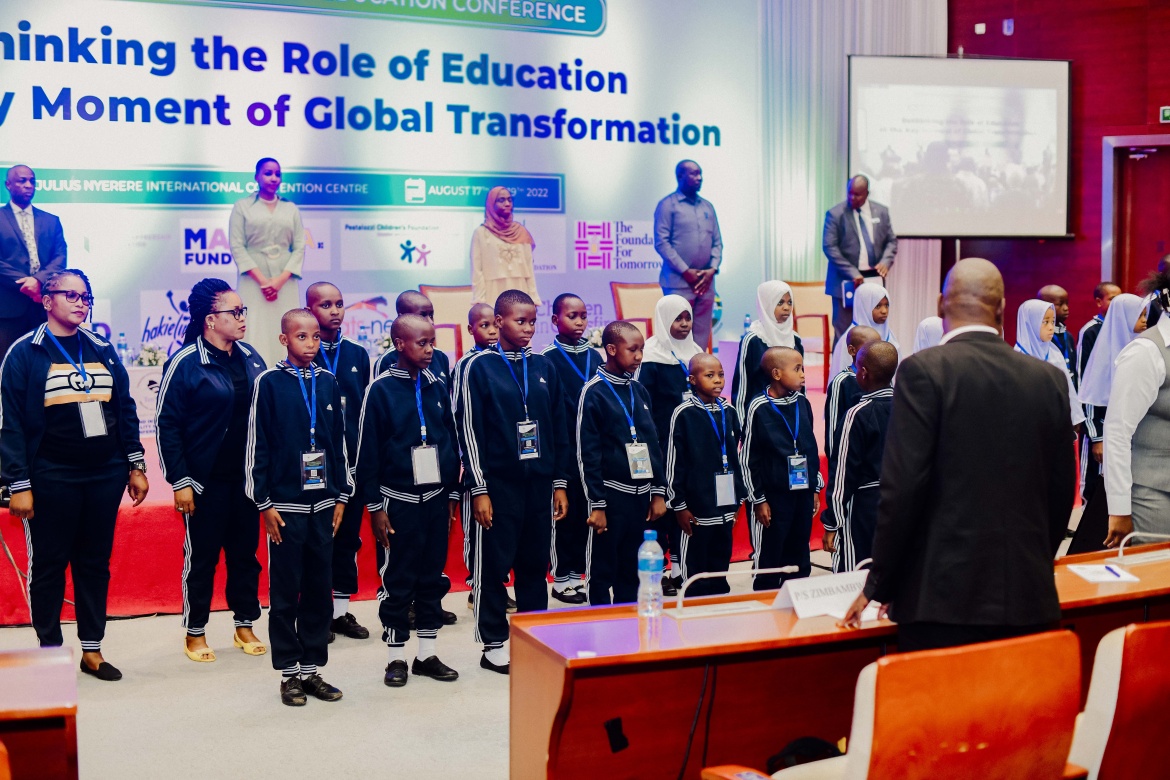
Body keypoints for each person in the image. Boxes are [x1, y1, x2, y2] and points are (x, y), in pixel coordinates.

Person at [840, 258, 1076, 651]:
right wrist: (1033, 564)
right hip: (1028, 594)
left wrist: (880, 583)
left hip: (940, 600)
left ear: (939, 305)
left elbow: (902, 489)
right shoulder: (1047, 378)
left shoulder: (921, 372)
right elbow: (1060, 491)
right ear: (1001, 310)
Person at [1, 269, 148, 681]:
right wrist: (19, 484)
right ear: (47, 300)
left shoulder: (101, 347)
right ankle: (49, 650)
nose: (82, 302)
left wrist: (134, 464)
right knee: (49, 565)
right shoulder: (25, 353)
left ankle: (92, 650)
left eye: (87, 296)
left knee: (94, 563)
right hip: (51, 475)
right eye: (71, 295)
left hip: (104, 474)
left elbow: (125, 409)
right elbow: (9, 423)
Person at [458, 290, 570, 674]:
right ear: (499, 321)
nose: (527, 329)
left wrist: (559, 482)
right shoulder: (478, 366)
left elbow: (557, 427)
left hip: (538, 484)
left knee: (534, 564)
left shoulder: (543, 366)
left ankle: (534, 635)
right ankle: (493, 644)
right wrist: (479, 488)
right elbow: (468, 430)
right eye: (519, 321)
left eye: (532, 322)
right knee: (493, 567)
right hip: (498, 485)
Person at [156, 278, 267, 663]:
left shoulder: (251, 356)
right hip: (204, 483)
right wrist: (180, 481)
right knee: (202, 558)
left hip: (246, 481)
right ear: (209, 320)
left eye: (242, 311)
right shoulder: (186, 362)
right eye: (234, 313)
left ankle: (244, 624)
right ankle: (195, 631)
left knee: (245, 556)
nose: (242, 319)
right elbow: (166, 425)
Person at [246, 309, 350, 706]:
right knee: (286, 591)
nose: (311, 344)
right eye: (301, 337)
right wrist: (264, 502)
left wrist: (341, 494)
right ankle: (289, 672)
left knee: (319, 590)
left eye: (315, 337)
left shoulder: (327, 382)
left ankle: (312, 670)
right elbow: (258, 445)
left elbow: (338, 443)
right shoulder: (269, 384)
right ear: (284, 340)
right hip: (285, 507)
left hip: (323, 505)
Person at [355, 314, 461, 689]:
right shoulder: (380, 390)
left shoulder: (437, 384)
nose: (430, 349)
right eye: (422, 343)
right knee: (398, 579)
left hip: (435, 498)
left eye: (433, 341)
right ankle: (396, 656)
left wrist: (451, 492)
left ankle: (426, 654)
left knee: (432, 576)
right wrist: (375, 508)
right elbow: (366, 453)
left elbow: (450, 440)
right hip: (397, 501)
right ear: (399, 344)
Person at [577, 321, 667, 605]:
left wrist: (658, 491)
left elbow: (652, 444)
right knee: (603, 569)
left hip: (641, 499)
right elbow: (587, 453)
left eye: (641, 349)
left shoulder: (639, 390)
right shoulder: (594, 392)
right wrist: (597, 504)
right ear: (612, 349)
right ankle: (602, 628)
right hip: (611, 497)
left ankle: (628, 626)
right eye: (633, 349)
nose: (639, 356)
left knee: (632, 568)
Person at [306, 282, 372, 642]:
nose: (334, 310)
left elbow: (365, 410)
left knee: (348, 540)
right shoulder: (304, 351)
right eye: (325, 304)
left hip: (352, 464)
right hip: (314, 465)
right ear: (309, 310)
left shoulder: (358, 355)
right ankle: (315, 611)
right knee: (317, 540)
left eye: (340, 303)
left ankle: (341, 613)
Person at [1069, 293, 1148, 553]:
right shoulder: (1101, 342)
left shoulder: (1143, 347)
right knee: (1099, 490)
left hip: (1136, 440)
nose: (1145, 321)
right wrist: (1098, 437)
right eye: (1140, 315)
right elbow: (1091, 395)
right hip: (1106, 434)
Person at [635, 294, 704, 593]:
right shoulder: (650, 356)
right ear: (664, 320)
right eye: (678, 319)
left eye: (687, 317)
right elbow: (640, 403)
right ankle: (657, 569)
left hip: (687, 442)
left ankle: (679, 569)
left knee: (682, 503)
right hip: (660, 444)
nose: (685, 324)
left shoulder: (696, 352)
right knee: (659, 507)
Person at [741, 347, 822, 590]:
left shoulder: (802, 402)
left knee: (799, 549)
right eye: (797, 369)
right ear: (776, 373)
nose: (803, 374)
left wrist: (815, 486)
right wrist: (758, 499)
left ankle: (796, 595)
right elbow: (748, 458)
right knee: (772, 551)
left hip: (803, 491)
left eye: (803, 368)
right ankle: (765, 597)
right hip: (775, 496)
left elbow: (809, 447)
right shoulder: (759, 407)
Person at [665, 353, 746, 596]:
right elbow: (673, 461)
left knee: (720, 566)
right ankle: (694, 618)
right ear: (692, 380)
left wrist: (739, 496)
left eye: (720, 374)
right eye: (709, 375)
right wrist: (678, 504)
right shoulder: (684, 413)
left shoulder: (729, 410)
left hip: (725, 507)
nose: (718, 380)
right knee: (696, 573)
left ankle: (717, 609)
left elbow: (735, 455)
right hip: (696, 509)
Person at [540, 293, 602, 605]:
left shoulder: (597, 357)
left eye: (583, 316)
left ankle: (582, 575)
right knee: (565, 513)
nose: (579, 322)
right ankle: (562, 578)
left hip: (592, 448)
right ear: (555, 321)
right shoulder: (546, 358)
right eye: (571, 316)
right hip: (563, 446)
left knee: (589, 512)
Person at [1104, 268, 1170, 546]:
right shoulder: (1146, 351)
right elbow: (1118, 432)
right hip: (1152, 492)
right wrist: (1119, 509)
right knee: (1157, 578)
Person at [823, 342, 898, 573]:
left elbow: (843, 473)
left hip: (864, 507)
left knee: (856, 575)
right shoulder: (911, 407)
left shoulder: (856, 414)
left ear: (863, 373)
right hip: (902, 501)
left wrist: (832, 521)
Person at [450, 303, 506, 611]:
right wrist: (465, 461)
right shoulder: (466, 365)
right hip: (476, 464)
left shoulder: (506, 362)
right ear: (471, 329)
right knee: (478, 527)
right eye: (483, 325)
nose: (492, 330)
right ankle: (477, 585)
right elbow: (460, 416)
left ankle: (497, 583)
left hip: (504, 464)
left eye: (493, 324)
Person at [229, 157, 305, 366]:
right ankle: (254, 374)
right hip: (253, 280)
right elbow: (237, 245)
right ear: (257, 177)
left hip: (285, 280)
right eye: (268, 173)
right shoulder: (242, 206)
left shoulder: (291, 208)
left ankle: (288, 373)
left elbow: (299, 246)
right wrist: (263, 281)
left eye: (277, 174)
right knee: (254, 326)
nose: (273, 178)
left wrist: (279, 281)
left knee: (287, 325)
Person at [654, 160, 723, 350]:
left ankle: (697, 372)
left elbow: (717, 243)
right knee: (676, 333)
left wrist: (712, 269)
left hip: (705, 283)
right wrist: (686, 271)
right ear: (680, 176)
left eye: (700, 173)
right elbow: (661, 242)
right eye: (693, 174)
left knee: (700, 334)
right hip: (678, 282)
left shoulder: (708, 207)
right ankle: (675, 374)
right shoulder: (668, 205)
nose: (699, 178)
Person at [0, 165, 67, 361]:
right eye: (22, 180)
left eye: (32, 181)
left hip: (44, 308)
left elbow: (60, 258)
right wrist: (25, 282)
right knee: (7, 369)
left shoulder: (51, 221)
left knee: (45, 366)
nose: (28, 185)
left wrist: (38, 280)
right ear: (8, 185)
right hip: (8, 310)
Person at [820, 325, 880, 539]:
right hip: (849, 466)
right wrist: (838, 464)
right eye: (870, 347)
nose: (876, 352)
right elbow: (833, 429)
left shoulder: (881, 379)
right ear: (853, 351)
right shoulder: (842, 382)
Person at [823, 175, 898, 345]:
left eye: (857, 194)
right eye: (849, 193)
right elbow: (829, 247)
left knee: (874, 329)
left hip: (873, 280)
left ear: (867, 193)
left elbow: (891, 241)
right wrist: (852, 272)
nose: (852, 198)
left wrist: (886, 261)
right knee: (845, 333)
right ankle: (842, 370)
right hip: (846, 281)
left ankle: (871, 369)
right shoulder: (835, 214)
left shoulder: (882, 212)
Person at [1076, 281, 1122, 502]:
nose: (1115, 303)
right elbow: (1086, 381)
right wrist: (1095, 434)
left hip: (1118, 420)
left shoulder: (1123, 329)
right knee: (1092, 483)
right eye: (1111, 298)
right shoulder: (1091, 331)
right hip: (1096, 419)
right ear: (1098, 302)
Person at [732, 281, 803, 423]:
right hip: (760, 416)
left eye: (790, 303)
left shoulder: (794, 338)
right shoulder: (752, 340)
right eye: (780, 302)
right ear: (767, 304)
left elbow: (801, 381)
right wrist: (742, 424)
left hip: (790, 412)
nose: (786, 308)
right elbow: (742, 386)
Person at [1015, 299, 1085, 428]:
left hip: (1057, 425)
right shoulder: (1017, 358)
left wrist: (1074, 417)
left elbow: (1068, 388)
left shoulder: (1054, 353)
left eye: (1052, 321)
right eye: (1045, 322)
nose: (1051, 327)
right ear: (1030, 323)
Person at [470, 187, 540, 307]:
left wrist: (533, 298)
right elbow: (477, 271)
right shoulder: (481, 233)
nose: (507, 203)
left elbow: (529, 269)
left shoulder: (521, 232)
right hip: (492, 294)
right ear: (491, 204)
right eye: (501, 200)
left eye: (509, 200)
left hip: (520, 292)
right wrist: (480, 301)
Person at [375, 291, 452, 386]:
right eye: (422, 315)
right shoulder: (386, 360)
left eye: (431, 315)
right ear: (402, 316)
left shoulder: (441, 357)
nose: (430, 321)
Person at [829, 282, 899, 379]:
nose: (884, 311)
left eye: (886, 305)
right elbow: (841, 379)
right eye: (878, 306)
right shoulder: (849, 339)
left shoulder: (890, 336)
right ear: (864, 307)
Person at [1039, 285, 1077, 383]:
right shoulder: (1040, 337)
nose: (1066, 308)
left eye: (1067, 303)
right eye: (1060, 304)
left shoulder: (1068, 336)